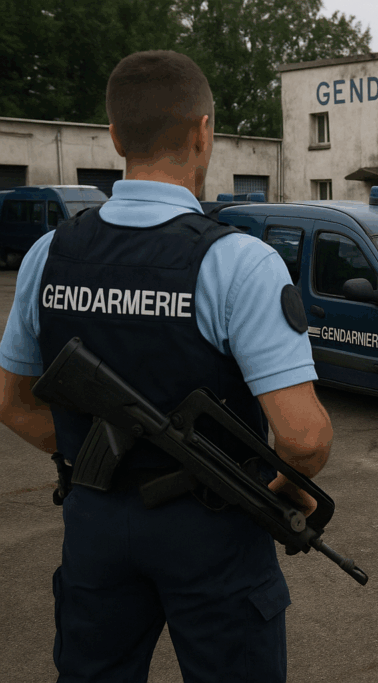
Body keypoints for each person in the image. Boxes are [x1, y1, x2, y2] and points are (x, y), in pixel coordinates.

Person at [0, 50, 332, 682]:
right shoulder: (240, 262)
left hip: (94, 522)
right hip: (212, 527)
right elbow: (304, 438)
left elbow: (11, 402)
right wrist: (284, 494)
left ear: (116, 136)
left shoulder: (49, 252)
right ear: (204, 131)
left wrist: (100, 453)